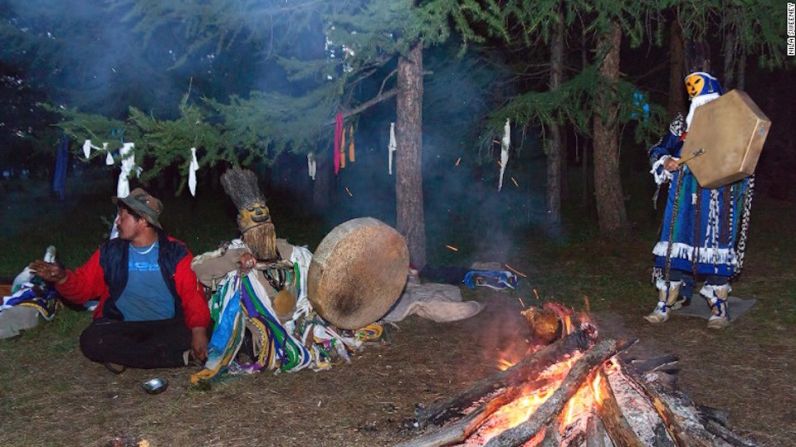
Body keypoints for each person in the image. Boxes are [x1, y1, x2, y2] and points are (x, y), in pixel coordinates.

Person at [29, 188, 210, 371]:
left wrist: (198, 331)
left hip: (164, 326)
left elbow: (193, 296)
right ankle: (177, 357)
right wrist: (62, 278)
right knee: (91, 341)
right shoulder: (111, 252)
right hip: (123, 326)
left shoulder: (176, 253)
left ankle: (125, 357)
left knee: (197, 332)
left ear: (143, 220)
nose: (117, 222)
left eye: (122, 217)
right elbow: (83, 287)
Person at [644, 72, 754, 329]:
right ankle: (664, 305)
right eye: (696, 99)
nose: (700, 104)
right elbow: (658, 148)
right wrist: (665, 162)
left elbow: (745, 155)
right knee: (674, 245)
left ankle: (719, 309)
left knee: (715, 246)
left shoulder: (730, 121)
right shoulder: (681, 125)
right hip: (682, 193)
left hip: (717, 196)